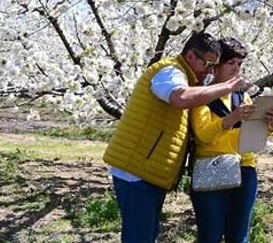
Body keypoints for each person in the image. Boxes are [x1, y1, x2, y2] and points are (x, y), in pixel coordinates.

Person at [103, 32, 249, 243]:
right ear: (191, 56)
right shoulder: (169, 71)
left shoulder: (186, 77)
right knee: (139, 237)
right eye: (208, 64)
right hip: (136, 171)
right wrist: (227, 87)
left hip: (149, 171)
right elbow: (179, 98)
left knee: (146, 235)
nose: (209, 71)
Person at [189, 37, 273, 243]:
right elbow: (203, 135)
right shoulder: (201, 95)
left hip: (245, 170)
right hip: (212, 168)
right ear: (216, 65)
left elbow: (253, 140)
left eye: (239, 64)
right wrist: (233, 118)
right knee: (209, 237)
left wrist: (270, 125)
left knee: (239, 237)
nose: (236, 68)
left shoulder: (242, 97)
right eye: (231, 63)